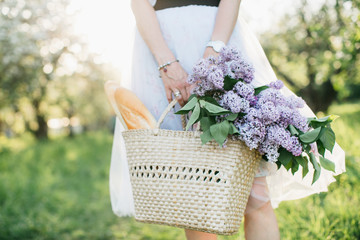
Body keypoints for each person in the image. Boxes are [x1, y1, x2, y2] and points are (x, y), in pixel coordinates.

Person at [109, 0, 346, 239]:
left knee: (256, 190)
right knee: (194, 193)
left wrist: (215, 50)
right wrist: (166, 62)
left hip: (220, 35)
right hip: (163, 41)